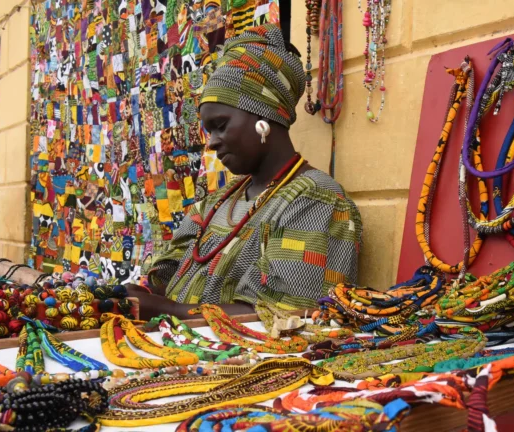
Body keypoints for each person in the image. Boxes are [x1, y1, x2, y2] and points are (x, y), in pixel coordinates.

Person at [127, 25, 362, 319]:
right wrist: (137, 296)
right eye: (208, 130)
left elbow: (286, 315)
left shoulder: (316, 201)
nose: (211, 142)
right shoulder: (217, 203)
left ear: (264, 118)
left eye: (221, 125)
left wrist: (172, 311)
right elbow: (167, 275)